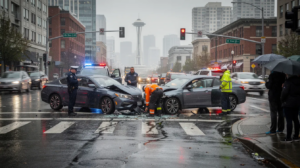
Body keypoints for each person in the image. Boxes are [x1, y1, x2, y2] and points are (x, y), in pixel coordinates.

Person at [281, 74, 300, 142]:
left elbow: (284, 93)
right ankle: (296, 136)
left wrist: (282, 99)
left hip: (288, 103)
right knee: (296, 119)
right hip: (297, 102)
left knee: (289, 120)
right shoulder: (298, 81)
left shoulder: (288, 82)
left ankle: (288, 137)